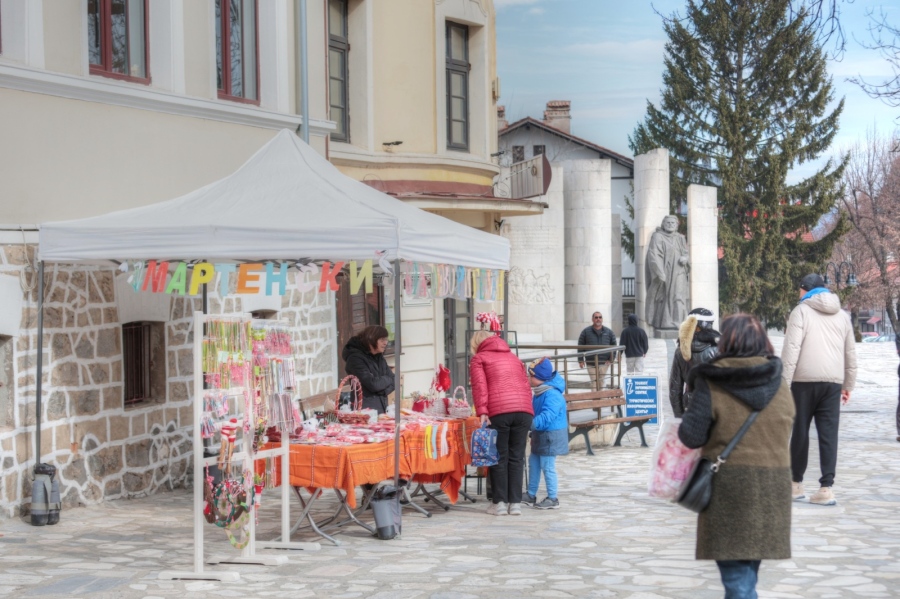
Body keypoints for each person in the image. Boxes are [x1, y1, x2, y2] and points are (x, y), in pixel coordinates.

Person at [678, 314, 795, 599]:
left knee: (738, 584)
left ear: (726, 342)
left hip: (730, 491)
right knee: (746, 578)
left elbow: (691, 436)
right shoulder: (779, 384)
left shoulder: (712, 381)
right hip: (773, 490)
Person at [781, 274, 857, 506]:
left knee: (800, 431)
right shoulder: (842, 315)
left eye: (799, 290)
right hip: (832, 383)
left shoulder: (801, 311)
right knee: (828, 434)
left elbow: (791, 349)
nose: (798, 294)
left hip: (804, 382)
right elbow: (850, 352)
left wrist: (784, 384)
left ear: (805, 290)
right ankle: (826, 488)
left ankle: (795, 485)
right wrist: (848, 385)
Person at [469, 330, 534, 516]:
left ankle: (499, 503)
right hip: (523, 411)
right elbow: (525, 385)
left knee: (498, 457)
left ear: (477, 344)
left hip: (499, 411)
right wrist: (527, 408)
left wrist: (482, 410)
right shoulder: (513, 357)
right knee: (517, 458)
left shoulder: (479, 359)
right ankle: (515, 503)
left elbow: (479, 386)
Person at [523, 357, 568, 510]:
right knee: (534, 464)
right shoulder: (540, 392)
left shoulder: (552, 394)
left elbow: (547, 416)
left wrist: (530, 424)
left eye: (531, 375)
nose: (529, 378)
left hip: (550, 436)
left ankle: (552, 497)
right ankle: (531, 493)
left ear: (539, 377)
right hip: (540, 435)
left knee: (547, 466)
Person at [669, 308, 719, 417]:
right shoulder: (718, 350)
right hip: (714, 407)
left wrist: (679, 418)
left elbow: (674, 389)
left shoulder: (680, 352)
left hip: (689, 407)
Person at [645, 215, 690, 330]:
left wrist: (685, 258)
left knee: (678, 296)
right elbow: (653, 255)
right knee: (665, 296)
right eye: (668, 223)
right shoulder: (657, 236)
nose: (670, 225)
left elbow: (685, 252)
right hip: (665, 272)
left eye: (673, 223)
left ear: (676, 225)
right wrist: (659, 272)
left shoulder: (680, 238)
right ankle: (665, 322)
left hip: (679, 271)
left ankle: (679, 321)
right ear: (663, 224)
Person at [341, 325, 394, 415]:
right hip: (364, 412)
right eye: (382, 340)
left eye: (386, 339)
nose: (385, 343)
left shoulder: (378, 356)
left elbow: (394, 379)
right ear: (371, 340)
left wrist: (382, 391)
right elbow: (373, 384)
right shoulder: (355, 359)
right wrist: (386, 380)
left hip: (381, 408)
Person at [577, 312, 617, 390]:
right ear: (592, 319)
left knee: (601, 382)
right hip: (591, 362)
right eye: (596, 317)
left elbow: (614, 346)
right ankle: (595, 401)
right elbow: (580, 346)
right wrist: (580, 360)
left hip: (604, 363)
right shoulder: (586, 332)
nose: (598, 319)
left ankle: (601, 401)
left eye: (600, 317)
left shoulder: (609, 332)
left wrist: (611, 359)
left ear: (602, 319)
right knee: (594, 382)